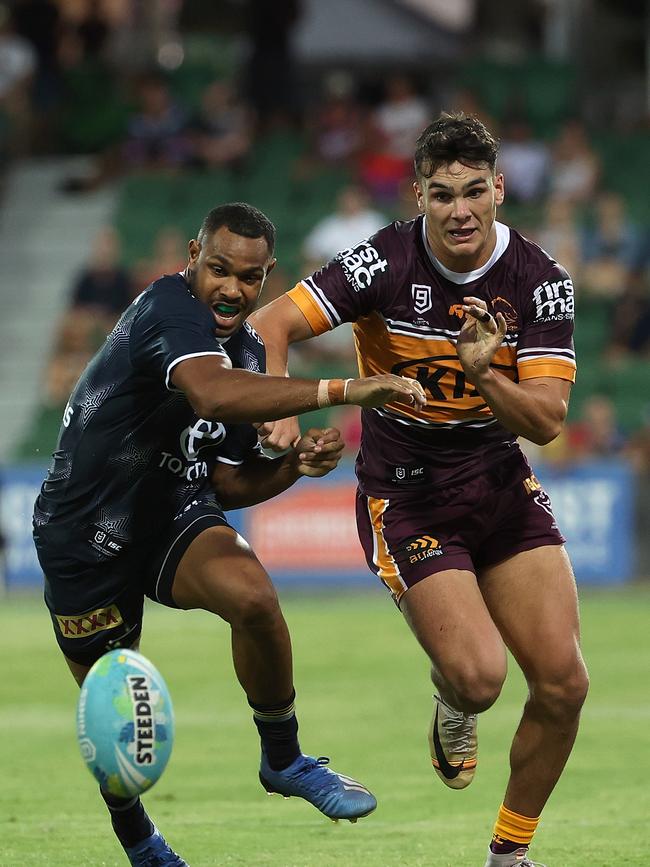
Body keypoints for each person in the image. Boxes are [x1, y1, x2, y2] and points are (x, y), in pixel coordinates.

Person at [32, 202, 426, 867]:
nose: (230, 289)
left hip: (170, 513)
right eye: (218, 269)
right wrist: (345, 389)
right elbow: (212, 395)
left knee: (255, 597)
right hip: (84, 533)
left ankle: (285, 758)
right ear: (193, 257)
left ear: (266, 277)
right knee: (115, 715)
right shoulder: (167, 310)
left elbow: (227, 482)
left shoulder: (246, 351)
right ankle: (143, 845)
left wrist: (291, 466)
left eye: (248, 278)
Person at [250, 113, 590, 867]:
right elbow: (272, 323)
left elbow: (547, 421)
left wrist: (481, 372)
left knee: (564, 683)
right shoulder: (381, 263)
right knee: (479, 677)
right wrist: (278, 411)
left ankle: (509, 855)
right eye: (443, 194)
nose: (460, 209)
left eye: (475, 191)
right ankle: (453, 699)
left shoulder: (542, 282)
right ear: (419, 196)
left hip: (499, 480)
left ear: (500, 188)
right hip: (407, 494)